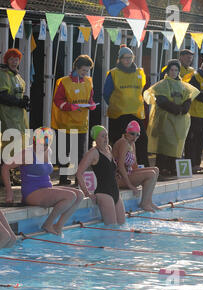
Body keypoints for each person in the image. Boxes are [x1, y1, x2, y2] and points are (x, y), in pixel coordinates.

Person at [2, 127, 84, 235]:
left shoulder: (48, 151)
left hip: (46, 189)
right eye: (41, 144)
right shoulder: (27, 153)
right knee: (70, 196)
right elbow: (5, 168)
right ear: (35, 141)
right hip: (31, 192)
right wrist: (9, 191)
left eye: (46, 144)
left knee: (79, 195)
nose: (44, 147)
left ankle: (58, 226)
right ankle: (48, 224)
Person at [144, 59, 199, 179]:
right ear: (168, 71)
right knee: (164, 144)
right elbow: (162, 101)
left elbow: (188, 98)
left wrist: (184, 108)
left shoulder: (184, 86)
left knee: (176, 145)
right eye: (171, 70)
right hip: (166, 120)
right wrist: (177, 109)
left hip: (179, 121)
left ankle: (172, 167)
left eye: (176, 70)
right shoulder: (162, 85)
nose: (173, 72)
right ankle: (161, 168)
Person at [0, 48, 30, 185]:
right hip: (5, 117)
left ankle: (11, 175)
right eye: (11, 59)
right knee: (6, 146)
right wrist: (18, 102)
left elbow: (16, 94)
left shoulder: (17, 77)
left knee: (16, 147)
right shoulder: (1, 76)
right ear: (6, 61)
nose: (14, 62)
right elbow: (1, 96)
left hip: (17, 118)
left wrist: (23, 101)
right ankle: (4, 177)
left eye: (17, 59)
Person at [51, 54, 96, 185]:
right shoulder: (63, 82)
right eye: (83, 70)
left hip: (81, 123)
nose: (85, 73)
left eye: (87, 71)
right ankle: (63, 179)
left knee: (79, 154)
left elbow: (90, 99)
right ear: (76, 67)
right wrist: (70, 106)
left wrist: (92, 105)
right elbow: (57, 100)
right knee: (64, 153)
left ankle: (78, 179)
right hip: (65, 123)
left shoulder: (88, 82)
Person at [103, 44, 149, 167]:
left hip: (135, 112)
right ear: (120, 59)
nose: (128, 60)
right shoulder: (114, 73)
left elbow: (143, 90)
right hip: (119, 114)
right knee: (119, 142)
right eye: (125, 58)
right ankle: (117, 169)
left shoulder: (139, 72)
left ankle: (142, 166)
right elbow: (106, 93)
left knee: (142, 140)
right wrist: (116, 104)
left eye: (130, 57)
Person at [76, 126, 125, 225]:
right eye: (102, 136)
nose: (106, 138)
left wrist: (116, 174)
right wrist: (87, 193)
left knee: (122, 225)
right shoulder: (93, 153)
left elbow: (108, 170)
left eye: (106, 135)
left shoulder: (109, 149)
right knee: (112, 229)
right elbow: (79, 173)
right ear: (96, 138)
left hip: (115, 192)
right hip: (104, 193)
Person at [112, 121, 160, 212]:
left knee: (155, 170)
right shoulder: (123, 143)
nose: (135, 137)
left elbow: (134, 166)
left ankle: (148, 201)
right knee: (151, 174)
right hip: (117, 178)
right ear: (126, 133)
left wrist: (141, 177)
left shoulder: (132, 144)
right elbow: (120, 166)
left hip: (126, 174)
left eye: (137, 135)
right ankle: (144, 203)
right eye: (132, 134)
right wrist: (130, 185)